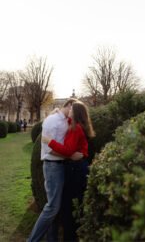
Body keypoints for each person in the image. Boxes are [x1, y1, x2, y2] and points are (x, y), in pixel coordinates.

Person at [28, 98, 82, 242]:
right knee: (52, 207)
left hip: (61, 166)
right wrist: (70, 154)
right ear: (70, 106)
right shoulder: (52, 121)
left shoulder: (65, 119)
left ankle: (51, 239)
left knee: (54, 206)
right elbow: (48, 150)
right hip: (52, 166)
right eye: (74, 109)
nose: (74, 113)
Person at [42, 101, 95, 242]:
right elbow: (81, 147)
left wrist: (49, 141)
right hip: (78, 168)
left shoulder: (76, 128)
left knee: (68, 208)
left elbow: (69, 150)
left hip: (75, 170)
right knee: (73, 206)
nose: (69, 110)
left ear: (76, 112)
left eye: (72, 108)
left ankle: (70, 238)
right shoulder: (77, 125)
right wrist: (56, 112)